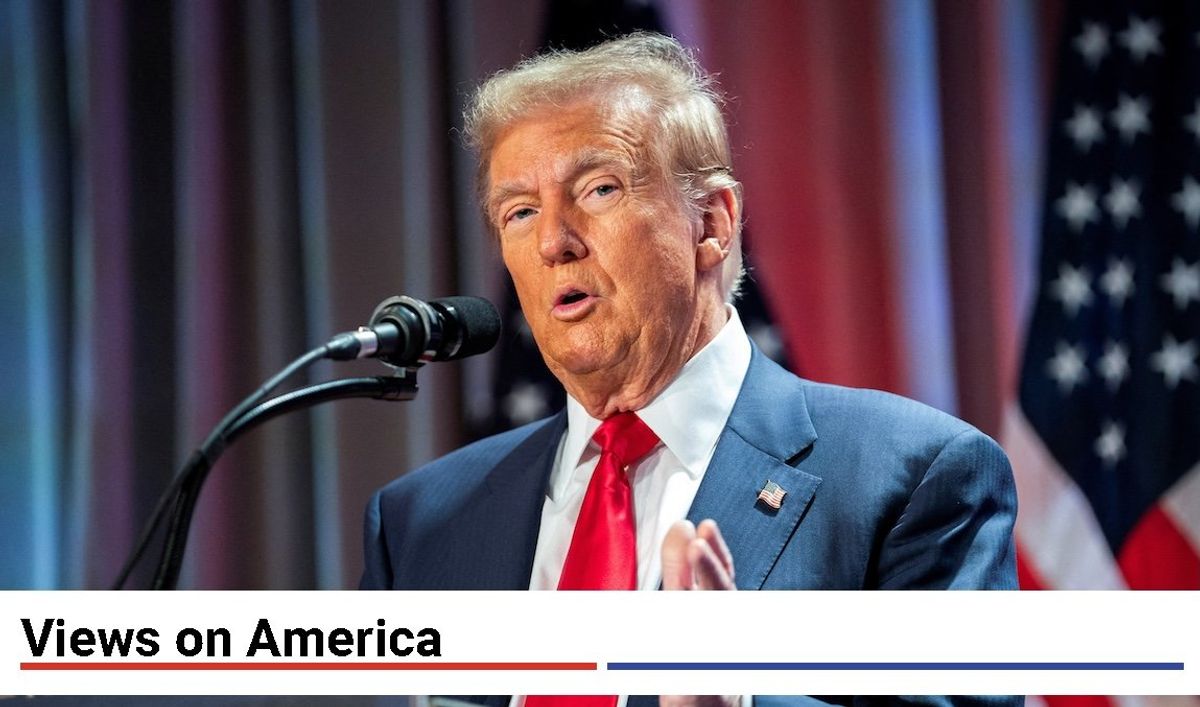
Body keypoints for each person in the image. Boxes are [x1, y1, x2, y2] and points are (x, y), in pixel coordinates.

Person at [361, 32, 1019, 707]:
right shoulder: (422, 522)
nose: (554, 240)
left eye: (598, 188)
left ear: (712, 222)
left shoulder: (914, 478)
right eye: (520, 211)